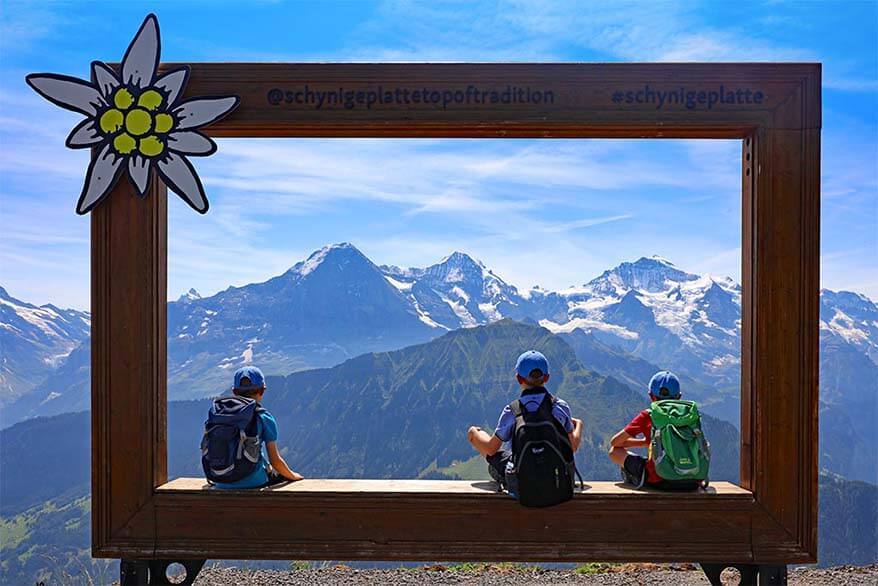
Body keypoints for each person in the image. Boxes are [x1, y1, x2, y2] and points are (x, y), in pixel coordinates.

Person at [467, 350, 583, 495]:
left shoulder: (512, 411)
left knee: (495, 462)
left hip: (523, 485)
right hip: (556, 481)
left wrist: (474, 434)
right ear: (547, 378)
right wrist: (578, 425)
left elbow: (491, 449)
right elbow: (572, 447)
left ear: (518, 378)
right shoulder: (560, 407)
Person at [202, 366, 303, 489]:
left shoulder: (219, 414)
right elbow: (275, 461)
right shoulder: (263, 417)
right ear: (262, 390)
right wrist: (293, 476)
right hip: (253, 481)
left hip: (219, 480)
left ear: (234, 391)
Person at [608, 370, 706, 489]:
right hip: (693, 481)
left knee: (614, 451)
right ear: (679, 396)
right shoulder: (690, 415)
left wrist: (644, 442)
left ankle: (636, 476)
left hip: (660, 481)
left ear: (651, 396)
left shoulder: (648, 415)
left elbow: (615, 442)